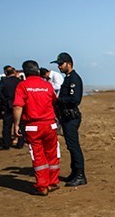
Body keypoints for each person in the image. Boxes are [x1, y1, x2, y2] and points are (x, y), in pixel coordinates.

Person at [13, 60, 60, 196]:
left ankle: (42, 186)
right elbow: (53, 102)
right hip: (49, 124)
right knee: (52, 153)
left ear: (24, 72)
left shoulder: (22, 86)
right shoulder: (47, 85)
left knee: (38, 156)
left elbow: (17, 106)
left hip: (33, 126)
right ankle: (52, 182)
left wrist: (16, 125)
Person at [52, 52, 86, 186]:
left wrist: (58, 100)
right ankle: (74, 172)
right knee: (71, 146)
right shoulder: (68, 78)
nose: (59, 67)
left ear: (69, 64)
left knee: (73, 146)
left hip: (71, 116)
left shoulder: (74, 79)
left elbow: (75, 99)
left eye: (61, 64)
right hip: (66, 116)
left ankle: (80, 175)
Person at [0, 65, 24, 150]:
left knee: (7, 126)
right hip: (19, 105)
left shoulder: (4, 81)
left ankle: (6, 144)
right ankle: (20, 143)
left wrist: (4, 100)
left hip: (8, 105)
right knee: (20, 124)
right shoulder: (19, 81)